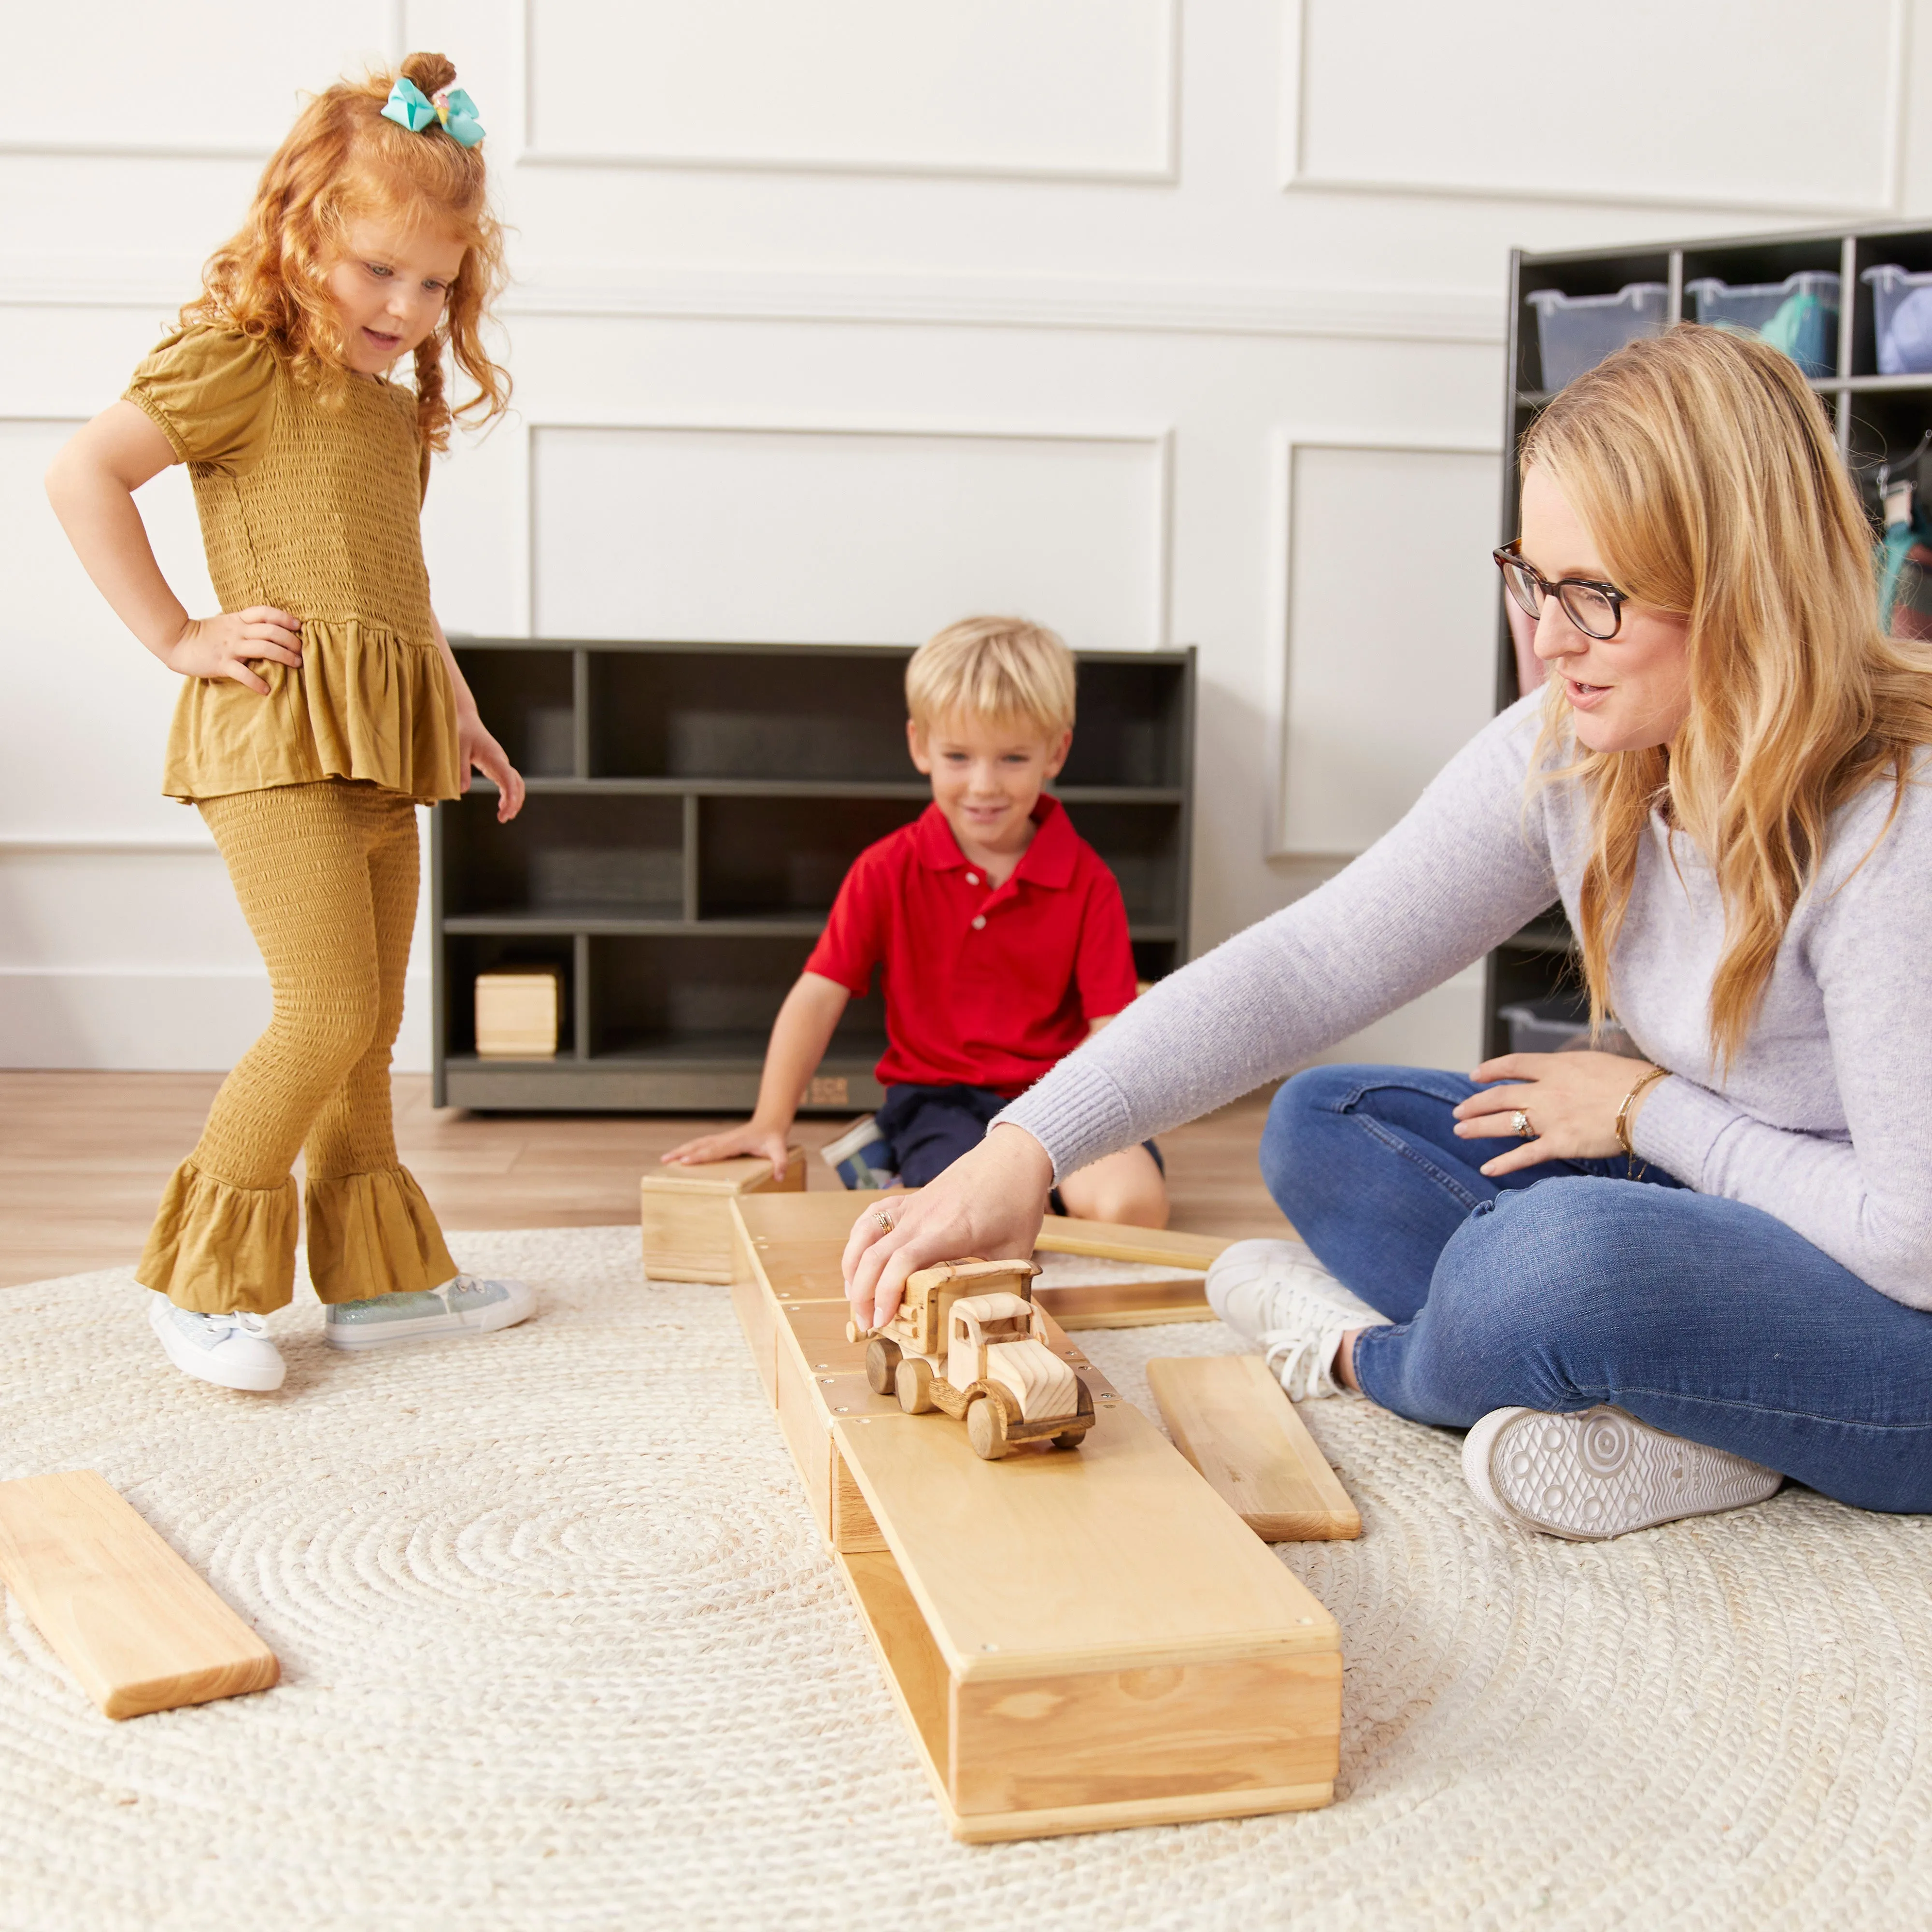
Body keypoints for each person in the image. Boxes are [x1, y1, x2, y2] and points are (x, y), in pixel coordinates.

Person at [842, 325, 1932, 1542]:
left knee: (1557, 1260)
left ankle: (1387, 1363)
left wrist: (1642, 1114)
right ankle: (1679, 1410)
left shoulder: (1898, 823)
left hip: (1904, 1308)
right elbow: (1309, 962)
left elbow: (1912, 1237)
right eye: (1532, 576)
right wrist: (1024, 1149)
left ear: (1743, 591)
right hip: (1730, 1211)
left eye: (1595, 597)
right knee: (1325, 1123)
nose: (1546, 638)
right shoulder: (1573, 748)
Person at [44, 54, 536, 1394]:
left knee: (373, 1025)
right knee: (320, 1010)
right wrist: (178, 636)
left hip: (386, 743)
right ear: (304, 233)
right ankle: (199, 1281)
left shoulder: (393, 411)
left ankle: (378, 1285)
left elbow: (400, 592)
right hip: (275, 738)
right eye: (381, 270)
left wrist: (463, 715)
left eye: (436, 284)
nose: (408, 306)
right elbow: (83, 470)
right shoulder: (239, 365)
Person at [664, 618, 1169, 1226]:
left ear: (1055, 752)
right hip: (943, 1103)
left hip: (1058, 1100)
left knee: (1132, 1209)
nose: (984, 785)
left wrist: (1070, 1127)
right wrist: (770, 1120)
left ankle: (1001, 1193)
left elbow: (1112, 1030)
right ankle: (928, 1174)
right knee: (969, 1230)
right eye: (959, 756)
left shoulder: (1089, 880)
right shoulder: (884, 869)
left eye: (1013, 757)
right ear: (920, 746)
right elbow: (817, 996)